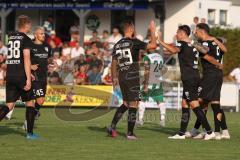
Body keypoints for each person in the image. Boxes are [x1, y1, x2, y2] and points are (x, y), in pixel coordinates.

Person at [158, 25, 222, 140]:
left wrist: (160, 41)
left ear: (182, 33)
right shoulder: (194, 44)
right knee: (184, 103)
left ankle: (209, 131)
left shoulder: (182, 44)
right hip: (195, 77)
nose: (176, 35)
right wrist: (217, 64)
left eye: (177, 33)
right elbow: (206, 51)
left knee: (194, 104)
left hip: (189, 79)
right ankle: (182, 133)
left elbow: (173, 50)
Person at [107, 20, 157, 140]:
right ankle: (130, 133)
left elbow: (114, 63)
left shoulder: (117, 44)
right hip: (132, 76)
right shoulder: (134, 42)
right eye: (134, 28)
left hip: (122, 76)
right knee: (134, 104)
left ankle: (112, 126)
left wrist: (114, 78)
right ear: (131, 29)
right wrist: (153, 31)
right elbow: (153, 46)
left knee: (125, 103)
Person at [189, 23, 230, 140]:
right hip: (218, 75)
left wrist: (192, 43)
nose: (195, 33)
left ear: (202, 31)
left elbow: (207, 56)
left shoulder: (204, 43)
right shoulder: (215, 41)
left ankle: (204, 131)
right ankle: (221, 132)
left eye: (196, 31)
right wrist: (215, 39)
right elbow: (225, 49)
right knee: (215, 103)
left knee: (198, 101)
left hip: (210, 75)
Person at [0, 15, 38, 139]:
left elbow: (15, 58)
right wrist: (28, 78)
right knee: (30, 103)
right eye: (30, 25)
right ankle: (30, 134)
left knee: (9, 105)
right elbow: (26, 59)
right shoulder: (26, 39)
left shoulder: (11, 38)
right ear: (26, 25)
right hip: (21, 75)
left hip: (10, 74)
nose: (30, 27)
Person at [22, 26, 52, 130]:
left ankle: (30, 119)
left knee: (41, 101)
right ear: (36, 35)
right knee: (38, 101)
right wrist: (30, 66)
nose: (43, 35)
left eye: (44, 34)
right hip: (34, 77)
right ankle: (30, 120)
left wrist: (51, 63)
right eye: (41, 34)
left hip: (44, 77)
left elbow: (48, 59)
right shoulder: (29, 45)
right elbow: (23, 60)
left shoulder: (47, 46)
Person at [137, 51, 166, 127]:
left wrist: (146, 85)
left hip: (150, 80)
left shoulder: (147, 57)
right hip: (158, 80)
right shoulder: (160, 56)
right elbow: (162, 69)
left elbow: (147, 71)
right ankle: (162, 119)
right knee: (160, 100)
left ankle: (140, 119)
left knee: (142, 99)